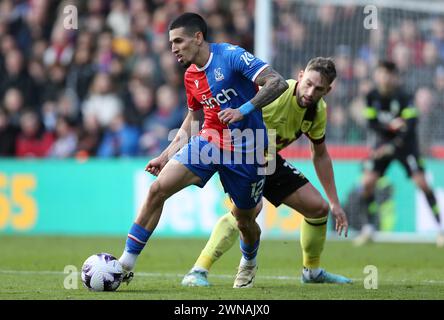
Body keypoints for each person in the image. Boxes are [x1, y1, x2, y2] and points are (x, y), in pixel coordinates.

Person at [117, 12, 289, 288]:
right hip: (209, 143)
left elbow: (277, 82)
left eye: (178, 41)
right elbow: (194, 119)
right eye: (171, 42)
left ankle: (248, 261)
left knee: (244, 220)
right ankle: (124, 264)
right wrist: (166, 154)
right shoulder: (190, 76)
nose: (173, 48)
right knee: (157, 189)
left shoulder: (231, 56)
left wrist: (243, 110)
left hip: (250, 151)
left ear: (198, 37)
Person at [181, 57, 352, 287]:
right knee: (246, 212)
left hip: (269, 159)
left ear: (328, 90)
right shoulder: (275, 95)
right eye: (309, 83)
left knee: (318, 209)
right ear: (300, 75)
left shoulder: (318, 110)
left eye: (319, 89)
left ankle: (312, 272)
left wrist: (334, 202)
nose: (311, 92)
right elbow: (229, 117)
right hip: (240, 155)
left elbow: (320, 154)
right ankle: (198, 270)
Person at [354, 60, 444, 247]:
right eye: (381, 73)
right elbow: (371, 123)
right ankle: (368, 229)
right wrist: (390, 127)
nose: (384, 77)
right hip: (382, 145)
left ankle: (440, 229)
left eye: (388, 74)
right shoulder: (372, 96)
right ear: (377, 75)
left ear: (395, 77)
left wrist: (393, 145)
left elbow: (410, 126)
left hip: (405, 147)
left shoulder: (405, 96)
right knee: (367, 183)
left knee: (422, 184)